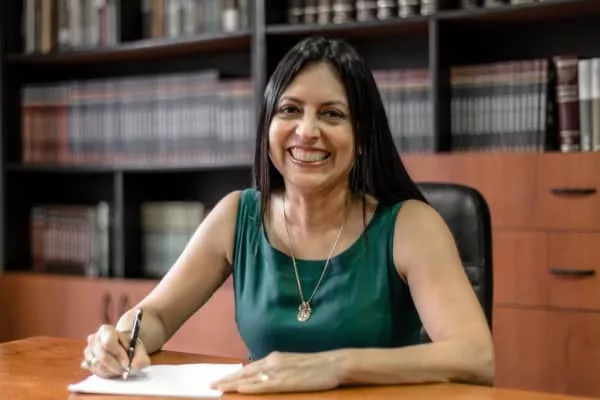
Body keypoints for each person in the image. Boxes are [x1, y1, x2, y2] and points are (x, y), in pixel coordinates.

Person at [81, 35, 495, 394]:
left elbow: (475, 356)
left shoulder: (410, 226)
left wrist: (335, 366)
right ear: (268, 127)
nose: (307, 131)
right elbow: (155, 315)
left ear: (362, 138)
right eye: (290, 110)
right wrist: (122, 339)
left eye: (332, 114)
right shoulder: (238, 215)